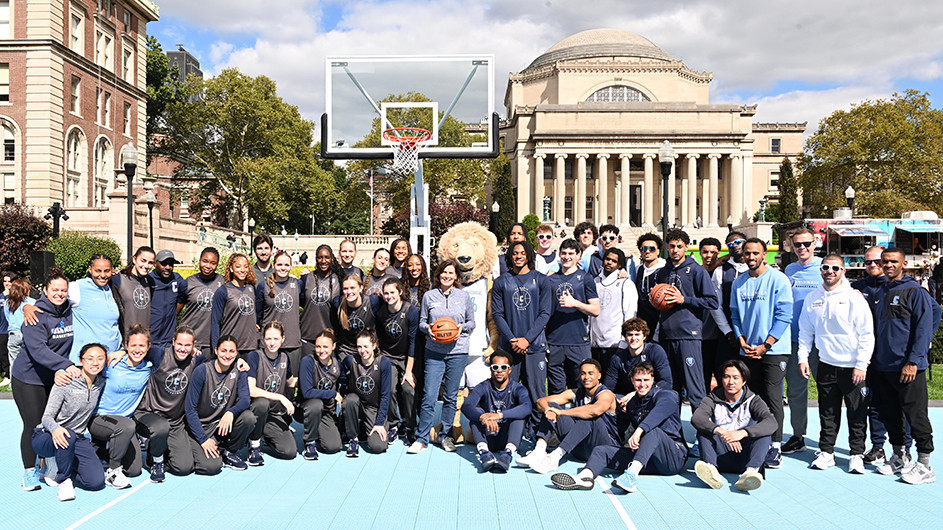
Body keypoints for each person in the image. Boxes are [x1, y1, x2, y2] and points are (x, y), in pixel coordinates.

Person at [550, 362, 686, 493]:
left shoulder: (667, 395)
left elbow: (659, 412)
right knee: (601, 451)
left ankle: (631, 476)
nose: (642, 384)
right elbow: (619, 426)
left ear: (652, 380)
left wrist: (640, 430)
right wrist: (622, 413)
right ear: (632, 381)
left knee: (653, 431)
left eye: (646, 380)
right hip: (647, 459)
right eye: (638, 380)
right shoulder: (632, 404)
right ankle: (584, 478)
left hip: (673, 457)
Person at [798, 254, 874, 473]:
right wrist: (803, 358)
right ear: (820, 270)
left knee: (857, 413)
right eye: (825, 267)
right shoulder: (813, 297)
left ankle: (856, 454)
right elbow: (805, 332)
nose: (830, 271)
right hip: (826, 365)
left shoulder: (854, 297)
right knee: (828, 412)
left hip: (853, 368)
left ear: (843, 271)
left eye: (835, 268)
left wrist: (861, 364)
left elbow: (866, 333)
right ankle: (827, 452)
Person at [870, 248, 936, 484]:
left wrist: (914, 360)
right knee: (890, 414)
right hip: (882, 366)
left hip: (908, 367)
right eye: (885, 261)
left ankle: (925, 465)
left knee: (916, 415)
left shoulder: (915, 291)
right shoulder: (880, 291)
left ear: (904, 263)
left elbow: (927, 324)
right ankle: (899, 456)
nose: (888, 265)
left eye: (893, 261)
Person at [729, 238, 793, 469]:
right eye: (747, 253)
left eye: (756, 253)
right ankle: (755, 441)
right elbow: (735, 316)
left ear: (764, 254)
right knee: (751, 399)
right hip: (747, 350)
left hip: (774, 350)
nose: (751, 257)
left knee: (772, 397)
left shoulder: (778, 279)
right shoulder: (739, 282)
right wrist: (742, 340)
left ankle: (775, 446)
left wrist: (766, 345)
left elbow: (784, 316)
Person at [12, 268, 74, 491]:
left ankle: (44, 465)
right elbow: (38, 351)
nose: (59, 294)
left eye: (63, 290)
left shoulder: (68, 309)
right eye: (55, 290)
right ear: (45, 291)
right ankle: (29, 472)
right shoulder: (35, 314)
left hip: (53, 377)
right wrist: (66, 365)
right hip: (28, 377)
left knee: (51, 423)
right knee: (33, 424)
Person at [410, 260, 476, 453]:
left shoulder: (463, 296)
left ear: (456, 276)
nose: (447, 276)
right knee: (429, 395)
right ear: (438, 275)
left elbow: (472, 323)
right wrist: (428, 329)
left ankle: (445, 436)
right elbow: (422, 322)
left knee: (450, 396)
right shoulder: (429, 296)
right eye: (443, 272)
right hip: (434, 352)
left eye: (450, 273)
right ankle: (422, 438)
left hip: (458, 352)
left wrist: (462, 327)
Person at [652, 229, 719, 416]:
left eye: (679, 246)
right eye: (672, 246)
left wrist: (685, 299)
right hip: (666, 336)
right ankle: (674, 438)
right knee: (670, 391)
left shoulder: (697, 271)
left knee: (695, 390)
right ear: (666, 247)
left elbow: (712, 302)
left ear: (686, 247)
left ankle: (704, 439)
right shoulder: (661, 273)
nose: (675, 250)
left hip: (689, 336)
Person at [851, 245, 907, 466]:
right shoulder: (857, 288)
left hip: (892, 356)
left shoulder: (900, 287)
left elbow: (932, 313)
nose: (873, 265)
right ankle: (877, 447)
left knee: (897, 403)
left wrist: (916, 344)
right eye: (868, 262)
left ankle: (904, 448)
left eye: (877, 261)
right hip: (866, 356)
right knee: (871, 402)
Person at [31, 343, 107, 501]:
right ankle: (63, 480)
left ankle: (61, 462)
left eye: (100, 358)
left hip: (77, 438)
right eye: (90, 358)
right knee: (67, 435)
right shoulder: (66, 380)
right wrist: (56, 429)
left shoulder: (100, 383)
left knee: (96, 482)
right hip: (47, 436)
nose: (95, 362)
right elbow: (46, 417)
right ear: (81, 360)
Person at [517, 358, 619, 474]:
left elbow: (595, 410)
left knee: (589, 418)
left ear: (599, 376)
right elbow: (541, 401)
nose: (586, 377)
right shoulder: (575, 392)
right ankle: (539, 451)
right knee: (551, 405)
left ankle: (555, 457)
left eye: (591, 373)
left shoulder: (606, 394)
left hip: (603, 446)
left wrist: (561, 412)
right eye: (583, 373)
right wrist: (548, 410)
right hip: (579, 449)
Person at [491, 240, 552, 430]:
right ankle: (510, 432)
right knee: (509, 392)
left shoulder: (541, 279)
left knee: (537, 392)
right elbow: (498, 314)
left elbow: (545, 313)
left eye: (522, 253)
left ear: (529, 256)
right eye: (515, 253)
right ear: (510, 256)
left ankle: (537, 433)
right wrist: (513, 339)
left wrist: (527, 339)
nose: (518, 256)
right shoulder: (501, 281)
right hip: (509, 347)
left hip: (535, 346)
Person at [691, 359, 777, 492]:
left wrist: (742, 433)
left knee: (764, 434)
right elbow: (697, 418)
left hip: (744, 456)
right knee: (704, 431)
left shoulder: (753, 400)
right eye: (726, 377)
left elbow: (771, 423)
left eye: (736, 378)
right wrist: (722, 432)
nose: (731, 382)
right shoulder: (712, 399)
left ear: (744, 381)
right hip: (719, 455)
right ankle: (712, 471)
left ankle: (750, 473)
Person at [87, 324, 154, 488]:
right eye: (133, 345)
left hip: (125, 423)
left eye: (141, 345)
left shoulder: (148, 367)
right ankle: (113, 470)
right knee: (126, 426)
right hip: (100, 418)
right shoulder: (112, 363)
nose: (137, 349)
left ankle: (100, 452)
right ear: (126, 345)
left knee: (134, 470)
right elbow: (90, 366)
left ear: (148, 347)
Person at [134, 326, 205, 478]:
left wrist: (239, 361)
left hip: (175, 421)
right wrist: (120, 351)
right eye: (179, 344)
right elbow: (138, 350)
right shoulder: (160, 354)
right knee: (160, 427)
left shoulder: (197, 360)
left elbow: (217, 364)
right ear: (173, 341)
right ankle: (156, 460)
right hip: (150, 414)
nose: (182, 348)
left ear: (194, 345)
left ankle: (161, 448)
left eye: (187, 345)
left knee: (184, 468)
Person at [184, 335, 256, 474]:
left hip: (221, 425)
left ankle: (229, 452)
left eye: (231, 351)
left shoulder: (239, 371)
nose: (227, 355)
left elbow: (245, 400)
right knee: (211, 467)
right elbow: (190, 409)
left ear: (236, 353)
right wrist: (203, 439)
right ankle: (197, 448)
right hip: (202, 426)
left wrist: (230, 412)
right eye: (223, 351)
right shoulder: (202, 371)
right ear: (216, 350)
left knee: (248, 417)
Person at [782, 228, 823, 456]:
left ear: (814, 242)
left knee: (828, 393)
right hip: (795, 341)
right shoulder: (790, 270)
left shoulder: (826, 267)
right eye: (798, 244)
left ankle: (828, 441)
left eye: (806, 243)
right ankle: (798, 436)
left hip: (821, 343)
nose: (802, 248)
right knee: (796, 392)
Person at [461, 350, 531, 472]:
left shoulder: (517, 387)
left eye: (503, 367)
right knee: (477, 413)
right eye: (495, 367)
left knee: (519, 416)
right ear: (491, 369)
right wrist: (483, 417)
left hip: (507, 437)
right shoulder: (483, 386)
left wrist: (498, 415)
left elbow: (527, 407)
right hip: (488, 436)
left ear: (509, 370)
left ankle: (507, 455)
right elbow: (466, 406)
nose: (499, 370)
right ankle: (484, 454)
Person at [604, 318, 673, 437]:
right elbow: (607, 388)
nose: (633, 338)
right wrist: (618, 400)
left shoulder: (655, 351)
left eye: (637, 334)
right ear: (625, 337)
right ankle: (614, 437)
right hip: (625, 400)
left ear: (644, 336)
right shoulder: (618, 358)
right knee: (606, 400)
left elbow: (667, 382)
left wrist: (636, 394)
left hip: (649, 395)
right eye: (630, 334)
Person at [547, 239, 599, 394]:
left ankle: (580, 418)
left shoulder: (585, 278)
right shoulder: (550, 280)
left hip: (578, 342)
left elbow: (595, 309)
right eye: (564, 253)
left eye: (571, 253)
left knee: (582, 387)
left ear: (579, 256)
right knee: (557, 389)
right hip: (554, 341)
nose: (567, 256)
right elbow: (544, 313)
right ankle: (557, 418)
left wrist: (575, 303)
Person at [246, 321, 298, 464]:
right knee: (262, 403)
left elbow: (290, 381)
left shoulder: (285, 358)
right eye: (268, 339)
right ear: (263, 339)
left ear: (283, 339)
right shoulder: (254, 356)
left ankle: (267, 436)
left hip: (274, 415)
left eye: (276, 339)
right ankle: (254, 445)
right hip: (256, 412)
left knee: (290, 452)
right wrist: (280, 397)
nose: (272, 343)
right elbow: (251, 389)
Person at [377, 278, 418, 442]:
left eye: (392, 292)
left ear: (400, 292)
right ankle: (393, 424)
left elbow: (413, 342)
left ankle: (409, 426)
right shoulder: (381, 312)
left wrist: (408, 371)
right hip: (388, 357)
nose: (388, 296)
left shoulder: (411, 311)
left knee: (408, 390)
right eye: (386, 293)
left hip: (406, 358)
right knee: (390, 390)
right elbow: (378, 338)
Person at [341, 330, 393, 456]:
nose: (362, 350)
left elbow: (386, 395)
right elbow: (342, 379)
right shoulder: (350, 360)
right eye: (359, 346)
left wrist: (380, 423)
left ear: (374, 346)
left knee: (378, 446)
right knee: (350, 399)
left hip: (373, 409)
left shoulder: (383, 363)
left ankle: (364, 428)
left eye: (366, 346)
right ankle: (353, 439)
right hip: (356, 405)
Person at [297, 329, 344, 459]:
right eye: (318, 346)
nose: (321, 350)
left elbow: (345, 384)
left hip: (326, 411)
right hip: (306, 408)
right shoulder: (308, 361)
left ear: (333, 346)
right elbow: (306, 392)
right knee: (316, 404)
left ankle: (321, 431)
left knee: (333, 446)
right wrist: (332, 393)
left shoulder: (337, 365)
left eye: (325, 346)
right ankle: (309, 443)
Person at [256, 251, 302, 376]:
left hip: (292, 341)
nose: (283, 268)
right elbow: (258, 313)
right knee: (268, 379)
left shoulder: (297, 284)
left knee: (291, 384)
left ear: (291, 266)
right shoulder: (263, 286)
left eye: (286, 265)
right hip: (270, 342)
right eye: (280, 264)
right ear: (274, 265)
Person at [709, 232, 748, 381]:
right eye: (730, 244)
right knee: (724, 375)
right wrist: (728, 332)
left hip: (750, 332)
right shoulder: (721, 271)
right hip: (727, 332)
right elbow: (715, 305)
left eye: (737, 242)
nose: (734, 246)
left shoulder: (757, 269)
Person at [590, 248, 637, 368]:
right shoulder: (594, 282)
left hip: (615, 344)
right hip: (594, 344)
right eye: (607, 259)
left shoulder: (626, 284)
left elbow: (630, 315)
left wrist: (624, 343)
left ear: (619, 264)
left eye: (613, 261)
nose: (609, 262)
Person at [299, 244, 345, 359]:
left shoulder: (338, 280)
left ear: (332, 259)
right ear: (316, 259)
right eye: (320, 257)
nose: (323, 261)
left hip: (329, 336)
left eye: (327, 258)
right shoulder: (306, 278)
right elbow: (301, 302)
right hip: (308, 334)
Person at [177, 247, 224, 357]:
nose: (208, 266)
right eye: (205, 261)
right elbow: (175, 311)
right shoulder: (188, 283)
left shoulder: (223, 282)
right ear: (199, 261)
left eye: (213, 263)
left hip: (211, 342)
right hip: (189, 341)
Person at [211, 253, 258, 355]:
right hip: (230, 347)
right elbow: (215, 321)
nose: (242, 270)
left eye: (246, 267)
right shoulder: (223, 291)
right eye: (238, 266)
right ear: (231, 269)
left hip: (250, 346)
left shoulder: (251, 288)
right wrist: (216, 347)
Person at [332, 274, 382, 358]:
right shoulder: (337, 303)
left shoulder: (373, 302)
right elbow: (335, 326)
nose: (349, 292)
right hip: (346, 350)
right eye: (345, 289)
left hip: (367, 350)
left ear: (361, 288)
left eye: (352, 288)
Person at [112, 246, 156, 338]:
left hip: (144, 339)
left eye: (150, 262)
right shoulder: (118, 279)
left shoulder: (150, 281)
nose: (146, 266)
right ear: (134, 259)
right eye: (143, 260)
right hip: (125, 338)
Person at [698, 238, 724, 390]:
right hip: (703, 336)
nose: (709, 255)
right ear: (699, 253)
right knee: (703, 378)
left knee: (723, 378)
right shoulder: (695, 273)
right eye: (705, 252)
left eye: (713, 252)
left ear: (719, 253)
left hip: (722, 335)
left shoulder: (724, 271)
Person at [149, 250, 185, 347]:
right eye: (164, 264)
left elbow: (184, 296)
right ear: (155, 264)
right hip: (150, 339)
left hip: (169, 340)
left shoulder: (177, 279)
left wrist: (174, 313)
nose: (168, 267)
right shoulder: (148, 279)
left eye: (170, 264)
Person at [634, 233, 666, 340]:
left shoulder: (665, 270)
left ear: (658, 251)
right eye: (644, 249)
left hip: (659, 322)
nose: (647, 251)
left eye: (651, 249)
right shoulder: (637, 269)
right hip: (642, 323)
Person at [4, 277, 34, 370]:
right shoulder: (31, 302)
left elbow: (7, 318)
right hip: (27, 333)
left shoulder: (8, 302)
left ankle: (14, 383)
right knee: (29, 361)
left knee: (13, 362)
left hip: (13, 334)